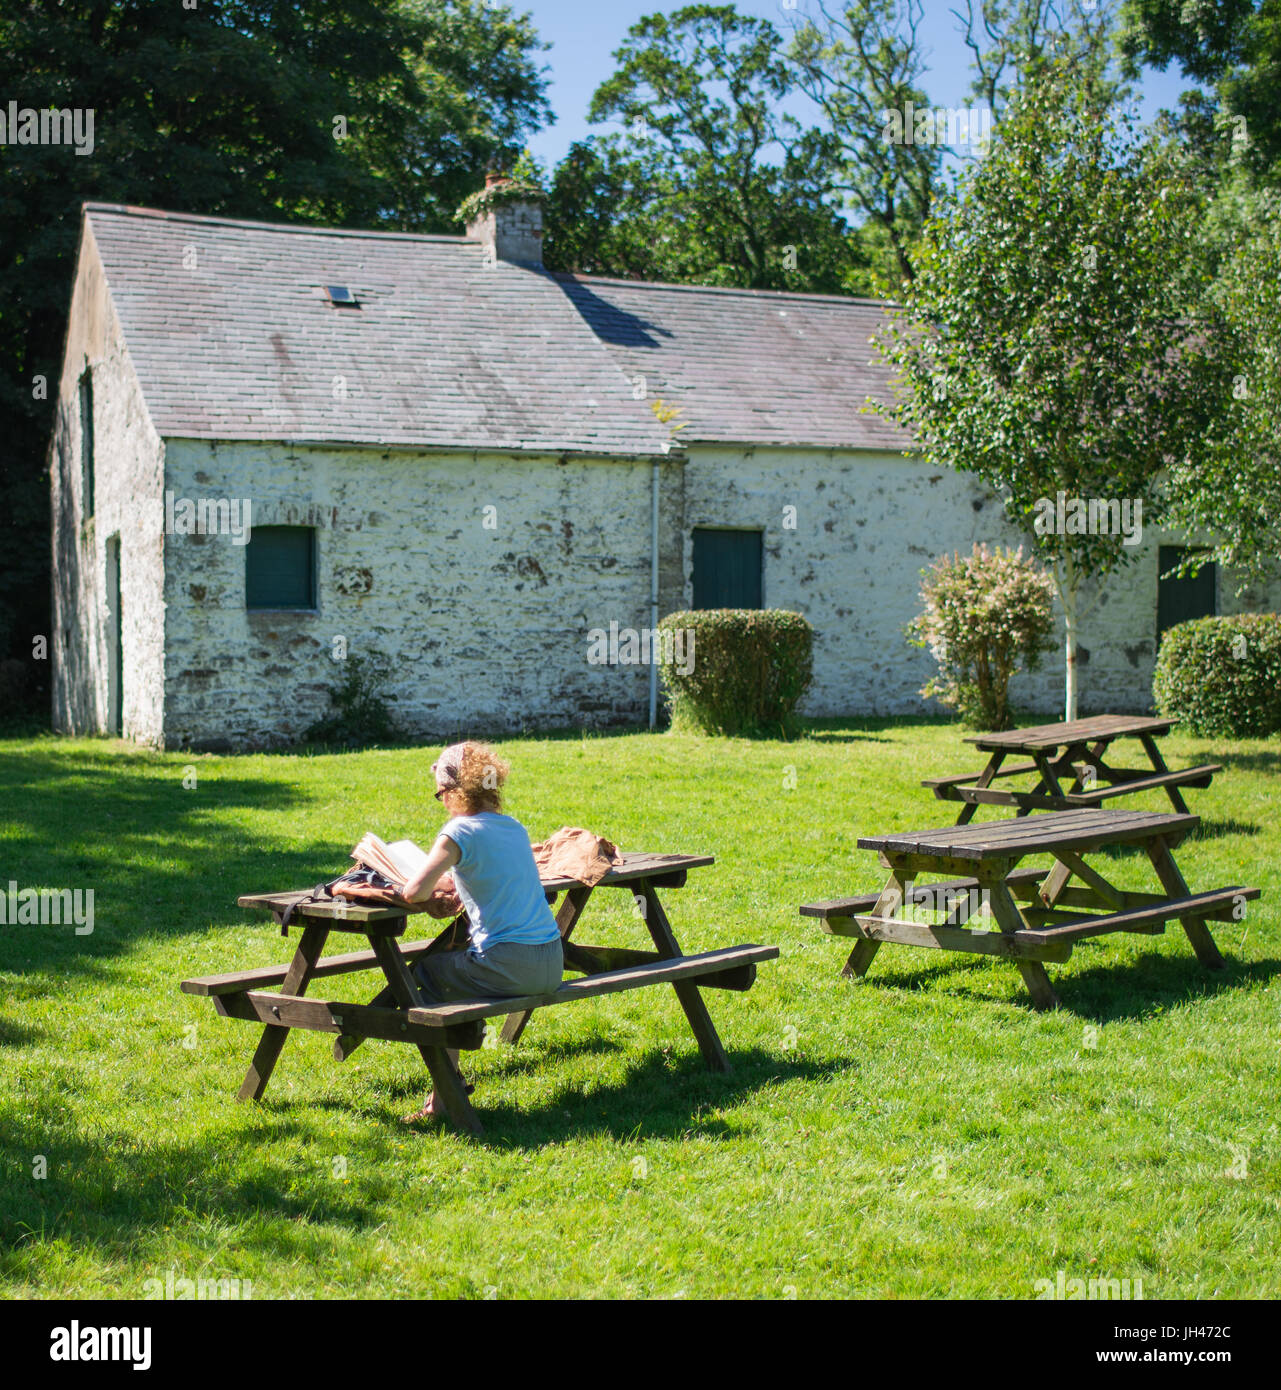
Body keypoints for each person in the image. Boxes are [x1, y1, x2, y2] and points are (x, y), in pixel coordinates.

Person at [393, 740, 563, 1122]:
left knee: (425, 973)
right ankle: (447, 1087)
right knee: (451, 971)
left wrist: (426, 899)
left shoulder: (459, 831)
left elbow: (414, 891)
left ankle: (444, 1098)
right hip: (553, 962)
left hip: (510, 963)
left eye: (439, 794)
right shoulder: (514, 829)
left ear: (455, 790)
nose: (441, 802)